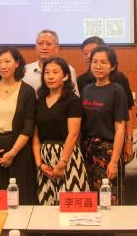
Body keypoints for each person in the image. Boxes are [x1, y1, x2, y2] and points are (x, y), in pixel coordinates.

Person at [0, 46, 37, 204]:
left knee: (20, 199)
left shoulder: (27, 91)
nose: (3, 66)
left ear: (17, 63)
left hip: (19, 150)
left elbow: (28, 126)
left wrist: (12, 152)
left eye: (7, 61)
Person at [33, 57, 90, 205]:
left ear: (65, 76)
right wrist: (40, 164)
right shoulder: (39, 101)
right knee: (47, 205)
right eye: (46, 72)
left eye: (55, 72)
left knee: (73, 205)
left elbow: (73, 134)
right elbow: (35, 136)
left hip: (67, 155)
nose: (50, 76)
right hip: (44, 157)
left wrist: (62, 162)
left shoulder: (72, 100)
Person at [80, 46, 129, 205]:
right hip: (87, 151)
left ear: (112, 66)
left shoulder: (117, 90)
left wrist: (114, 161)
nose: (98, 66)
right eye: (94, 62)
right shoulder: (86, 89)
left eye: (103, 62)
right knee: (91, 200)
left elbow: (120, 128)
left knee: (109, 200)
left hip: (108, 151)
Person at [77, 36, 136, 162]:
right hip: (86, 146)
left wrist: (129, 141)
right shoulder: (82, 83)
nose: (89, 56)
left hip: (111, 145)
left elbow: (127, 113)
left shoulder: (119, 82)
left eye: (93, 51)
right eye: (85, 53)